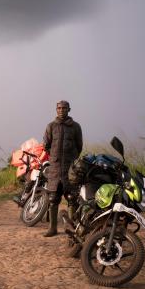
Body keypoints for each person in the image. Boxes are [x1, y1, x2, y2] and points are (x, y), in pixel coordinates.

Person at [42, 100, 83, 237]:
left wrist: (71, 159)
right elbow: (46, 145)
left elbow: (79, 147)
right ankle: (52, 228)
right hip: (55, 168)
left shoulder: (75, 127)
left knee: (71, 198)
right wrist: (54, 157)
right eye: (59, 108)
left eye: (64, 108)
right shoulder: (51, 126)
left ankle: (72, 229)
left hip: (69, 168)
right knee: (53, 198)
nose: (61, 110)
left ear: (69, 109)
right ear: (56, 109)